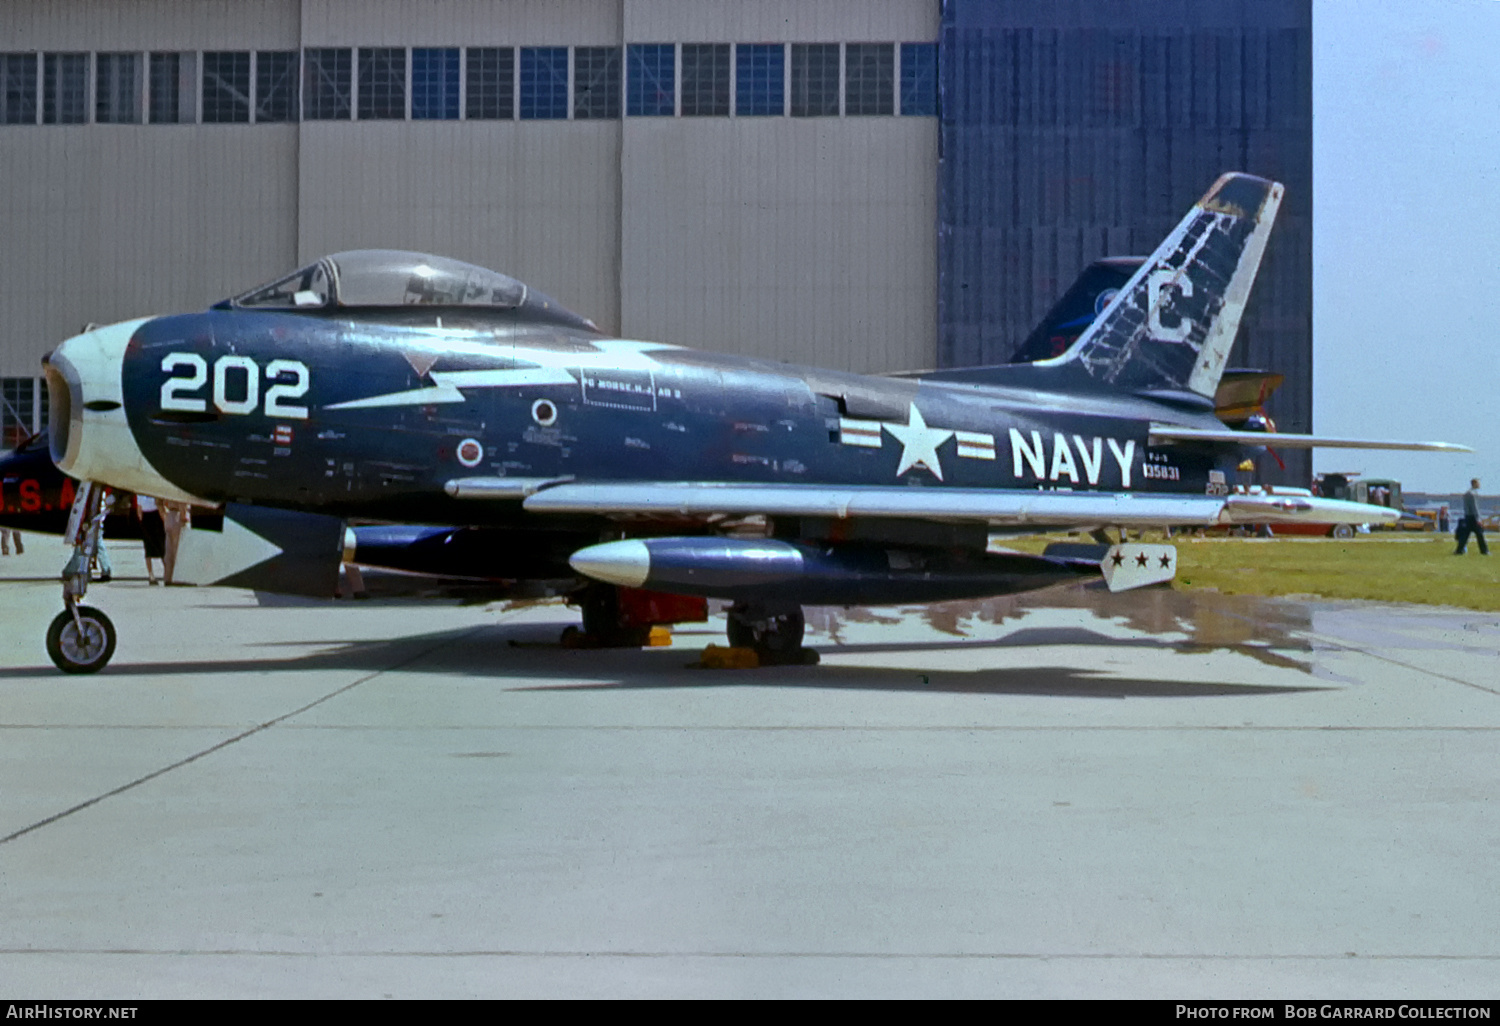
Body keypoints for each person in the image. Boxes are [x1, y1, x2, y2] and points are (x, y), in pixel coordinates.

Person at [136, 494, 167, 583]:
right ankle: (151, 575)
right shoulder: (141, 492)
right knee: (150, 546)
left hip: (154, 515)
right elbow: (139, 508)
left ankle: (165, 572)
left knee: (161, 546)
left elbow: (140, 508)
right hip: (149, 516)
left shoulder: (149, 492)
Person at [1454, 478, 1488, 556]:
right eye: (1478, 483)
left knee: (1465, 535)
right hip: (1473, 517)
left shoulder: (1466, 494)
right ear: (1475, 484)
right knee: (1480, 535)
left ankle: (1459, 550)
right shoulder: (1473, 494)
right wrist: (1478, 519)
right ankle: (1484, 551)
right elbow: (1474, 507)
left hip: (1467, 516)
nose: (1479, 485)